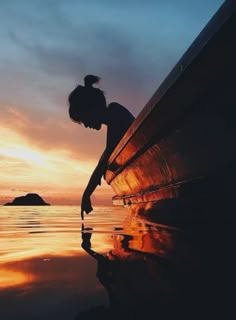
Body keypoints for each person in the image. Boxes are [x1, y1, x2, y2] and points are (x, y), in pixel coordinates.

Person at [68, 75, 135, 219]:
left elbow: (106, 158)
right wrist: (86, 193)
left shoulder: (115, 112)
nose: (86, 125)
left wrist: (86, 194)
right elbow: (105, 158)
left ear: (92, 109)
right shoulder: (113, 116)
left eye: (84, 119)